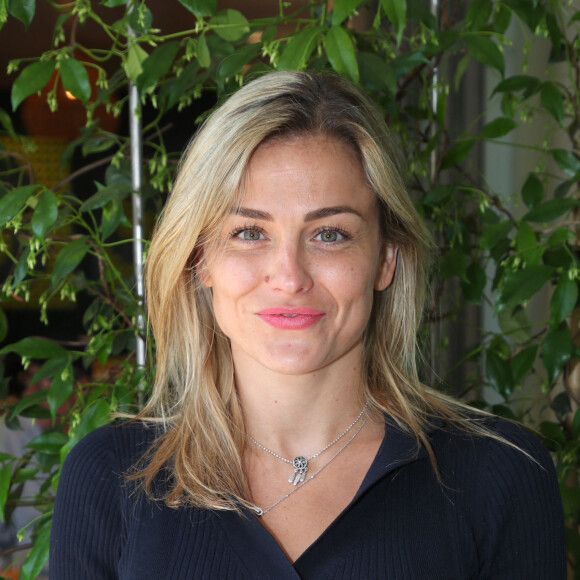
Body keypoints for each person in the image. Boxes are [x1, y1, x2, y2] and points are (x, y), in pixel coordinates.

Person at [49, 70, 566, 578]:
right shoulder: (110, 477)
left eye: (330, 235)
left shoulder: (502, 474)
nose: (289, 277)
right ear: (200, 259)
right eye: (250, 232)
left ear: (386, 258)